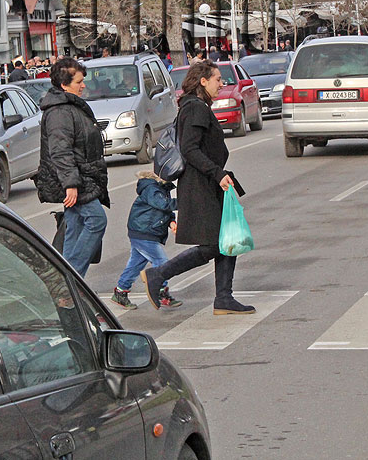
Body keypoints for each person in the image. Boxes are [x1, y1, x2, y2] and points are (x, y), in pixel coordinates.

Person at [141, 60, 255, 314]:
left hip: (209, 183)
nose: (222, 84)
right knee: (214, 244)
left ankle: (224, 298)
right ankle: (158, 274)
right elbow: (190, 149)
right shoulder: (195, 108)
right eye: (218, 79)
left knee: (227, 240)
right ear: (203, 81)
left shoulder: (197, 106)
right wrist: (217, 173)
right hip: (200, 185)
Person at [36, 57, 109, 276]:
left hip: (81, 177)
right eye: (78, 81)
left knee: (74, 227)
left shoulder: (70, 106)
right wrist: (71, 184)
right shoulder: (60, 112)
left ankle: (67, 285)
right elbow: (60, 151)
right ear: (64, 84)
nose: (83, 85)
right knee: (96, 220)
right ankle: (72, 279)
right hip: (76, 179)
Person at [111, 171, 182, 310]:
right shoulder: (151, 188)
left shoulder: (161, 189)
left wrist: (171, 221)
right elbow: (164, 205)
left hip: (143, 232)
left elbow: (164, 210)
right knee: (161, 262)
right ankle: (161, 292)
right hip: (143, 232)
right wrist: (186, 201)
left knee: (135, 264)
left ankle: (120, 291)